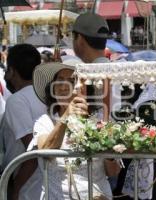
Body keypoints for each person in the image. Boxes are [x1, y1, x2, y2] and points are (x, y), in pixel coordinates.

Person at [29, 61, 117, 199]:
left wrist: (109, 150)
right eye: (59, 81)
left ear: (84, 88)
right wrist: (66, 117)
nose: (64, 87)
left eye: (71, 81)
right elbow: (46, 152)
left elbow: (113, 172)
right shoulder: (44, 121)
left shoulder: (100, 119)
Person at [72, 12, 122, 191]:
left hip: (100, 164)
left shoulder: (86, 75)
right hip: (117, 156)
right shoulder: (122, 71)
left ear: (79, 40)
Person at [0, 44, 47, 200]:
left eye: (7, 69)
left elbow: (32, 153)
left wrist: (15, 190)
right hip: (43, 183)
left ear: (12, 71)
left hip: (27, 187)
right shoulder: (45, 95)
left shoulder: (16, 101)